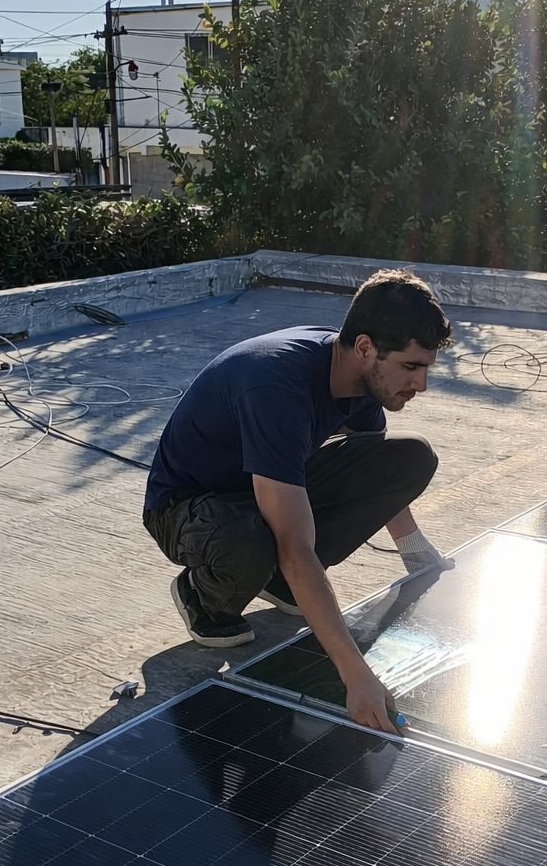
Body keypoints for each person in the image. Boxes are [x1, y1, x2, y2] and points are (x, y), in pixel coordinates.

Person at [143, 268, 454, 733]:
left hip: (256, 489)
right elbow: (294, 546)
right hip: (190, 506)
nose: (421, 383)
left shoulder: (363, 379)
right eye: (412, 366)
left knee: (409, 458)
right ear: (366, 347)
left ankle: (283, 585)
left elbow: (374, 476)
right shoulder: (276, 385)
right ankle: (203, 597)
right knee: (256, 542)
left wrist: (418, 557)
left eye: (425, 367)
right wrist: (357, 676)